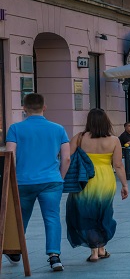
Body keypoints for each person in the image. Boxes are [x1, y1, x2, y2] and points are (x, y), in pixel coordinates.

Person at [6, 93, 70, 272]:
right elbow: (66, 158)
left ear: (24, 108)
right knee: (52, 217)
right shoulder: (58, 129)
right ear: (44, 107)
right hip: (51, 180)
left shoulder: (15, 129)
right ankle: (54, 256)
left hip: (23, 181)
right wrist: (59, 177)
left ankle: (15, 250)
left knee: (20, 217)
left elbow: (10, 156)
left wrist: (12, 178)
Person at [66, 108, 128, 261]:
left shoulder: (79, 138)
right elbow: (118, 165)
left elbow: (67, 158)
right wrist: (124, 185)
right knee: (103, 212)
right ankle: (101, 248)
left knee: (85, 213)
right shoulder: (114, 140)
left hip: (85, 178)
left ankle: (94, 251)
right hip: (106, 179)